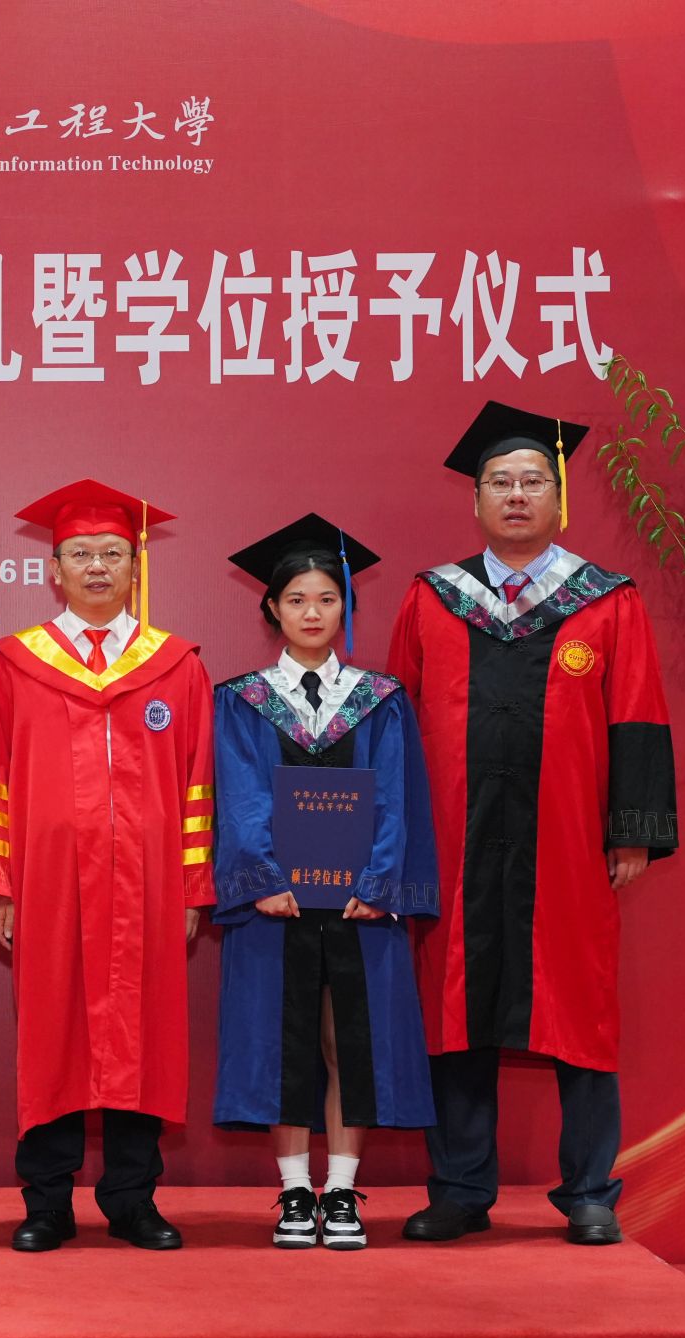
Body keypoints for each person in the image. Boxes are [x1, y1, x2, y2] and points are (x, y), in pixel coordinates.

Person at [388, 401, 679, 1248]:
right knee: (456, 1005)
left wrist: (632, 828)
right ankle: (460, 1187)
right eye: (500, 482)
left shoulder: (606, 601)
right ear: (476, 499)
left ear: (558, 496)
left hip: (567, 842)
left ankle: (589, 1190)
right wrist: (396, 841)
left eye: (532, 482)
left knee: (578, 1006)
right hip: (453, 838)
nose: (516, 495)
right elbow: (395, 724)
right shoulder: (433, 598)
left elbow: (637, 715)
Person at [0, 479, 214, 1253]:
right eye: (81, 554)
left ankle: (133, 1198)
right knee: (53, 1032)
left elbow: (198, 785)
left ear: (135, 565)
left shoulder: (176, 666)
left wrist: (192, 887)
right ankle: (47, 1201)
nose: (98, 566)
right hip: (48, 883)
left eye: (113, 553)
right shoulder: (15, 664)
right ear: (54, 568)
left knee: (143, 1032)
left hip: (149, 886)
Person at [210, 514, 438, 1251]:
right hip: (273, 904)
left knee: (349, 1043)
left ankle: (340, 1189)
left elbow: (396, 797)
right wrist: (262, 877)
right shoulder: (241, 698)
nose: (312, 612)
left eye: (327, 599)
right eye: (297, 599)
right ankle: (292, 1191)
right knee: (283, 1043)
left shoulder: (381, 698)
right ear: (272, 608)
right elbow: (239, 795)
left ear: (346, 607)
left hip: (359, 902)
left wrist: (379, 883)